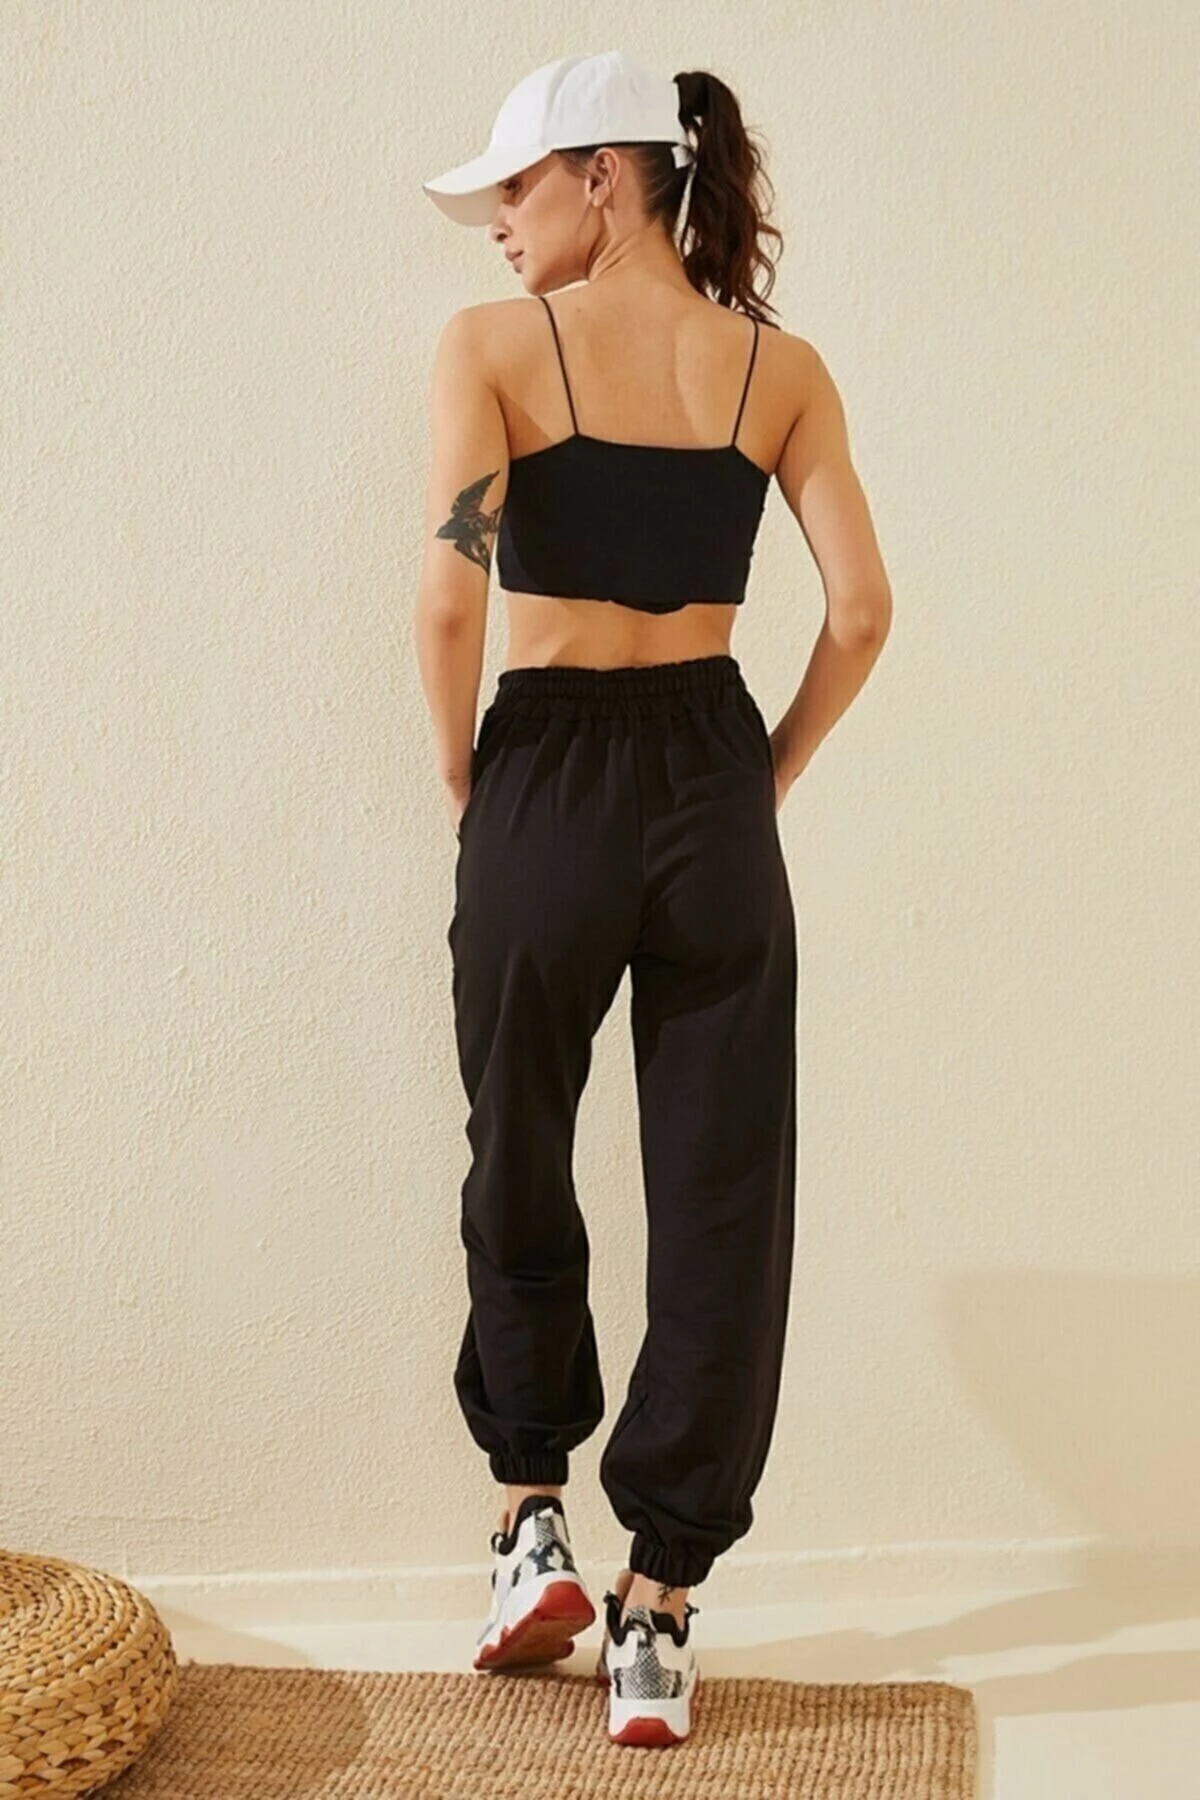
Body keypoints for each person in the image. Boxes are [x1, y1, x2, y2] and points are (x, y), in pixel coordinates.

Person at [415, 50, 892, 1745]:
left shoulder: (493, 352)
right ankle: (659, 1611)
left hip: (544, 771)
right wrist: (760, 779)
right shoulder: (780, 371)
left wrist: (469, 780)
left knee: (515, 1144)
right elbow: (861, 612)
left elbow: (450, 600)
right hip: (710, 780)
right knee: (722, 1195)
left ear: (604, 175)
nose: (500, 226)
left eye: (518, 189)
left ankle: (530, 1521)